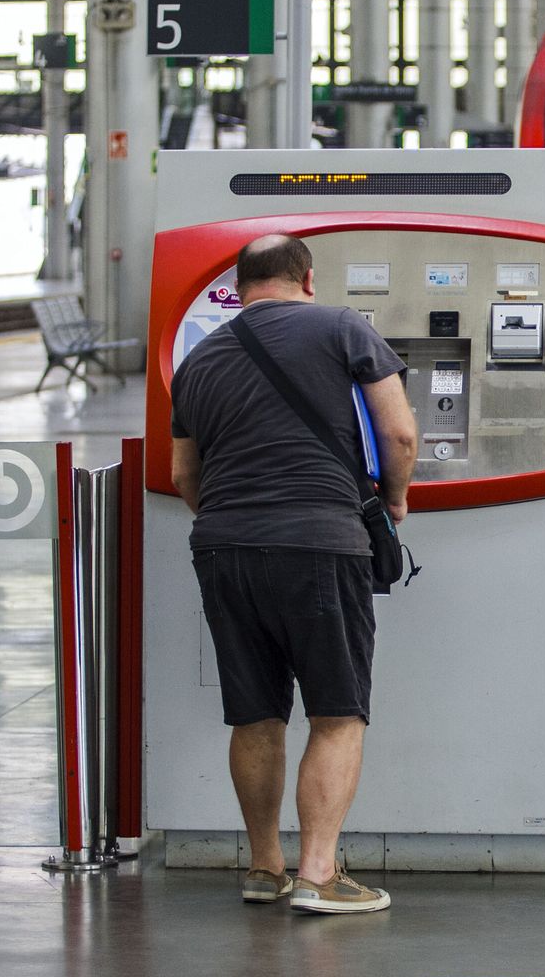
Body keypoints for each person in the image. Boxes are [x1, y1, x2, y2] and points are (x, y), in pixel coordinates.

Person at [170, 234, 418, 914]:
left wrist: (237, 519)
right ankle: (318, 875)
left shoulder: (199, 358)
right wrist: (393, 498)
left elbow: (182, 476)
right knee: (337, 713)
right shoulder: (341, 326)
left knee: (254, 714)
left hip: (222, 547)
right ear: (305, 278)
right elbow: (398, 433)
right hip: (320, 543)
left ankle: (263, 868)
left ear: (241, 286)